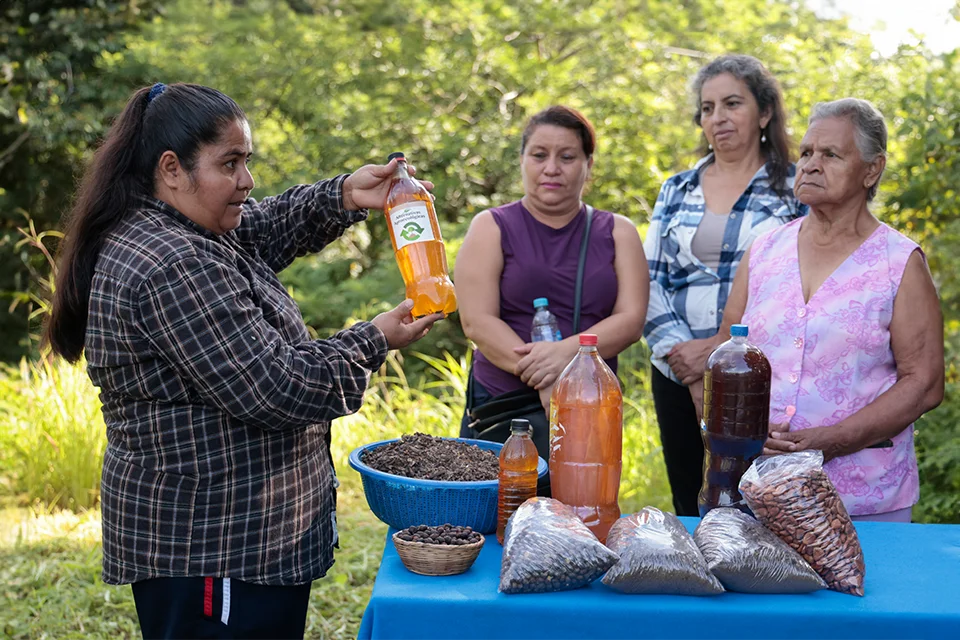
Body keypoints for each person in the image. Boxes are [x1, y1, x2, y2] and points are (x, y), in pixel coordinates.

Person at [42, 82, 441, 639]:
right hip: (213, 546)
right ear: (172, 169)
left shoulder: (187, 226)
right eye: (229, 164)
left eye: (246, 161)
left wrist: (345, 195)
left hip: (236, 538)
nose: (246, 181)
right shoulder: (171, 262)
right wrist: (373, 340)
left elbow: (267, 224)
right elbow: (275, 387)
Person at [716, 98, 944, 522]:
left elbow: (925, 383)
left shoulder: (899, 262)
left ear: (872, 170)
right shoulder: (765, 250)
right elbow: (728, 354)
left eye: (831, 155)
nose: (810, 165)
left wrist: (832, 440)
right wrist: (747, 430)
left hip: (864, 499)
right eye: (805, 153)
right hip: (760, 489)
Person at [642, 54, 806, 516]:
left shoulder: (797, 187)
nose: (718, 118)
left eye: (732, 103)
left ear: (765, 113)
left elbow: (800, 290)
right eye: (708, 108)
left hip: (758, 371)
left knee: (752, 503)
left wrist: (719, 356)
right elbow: (650, 279)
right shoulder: (676, 188)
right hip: (674, 368)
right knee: (689, 500)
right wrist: (688, 364)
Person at [455, 105, 649, 468]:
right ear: (523, 160)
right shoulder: (491, 226)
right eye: (539, 155)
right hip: (502, 405)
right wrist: (543, 374)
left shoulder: (618, 232)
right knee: (494, 515)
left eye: (567, 156)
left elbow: (631, 319)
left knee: (582, 512)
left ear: (588, 165)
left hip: (588, 404)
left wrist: (568, 360)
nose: (551, 168)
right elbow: (477, 321)